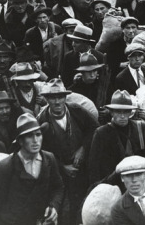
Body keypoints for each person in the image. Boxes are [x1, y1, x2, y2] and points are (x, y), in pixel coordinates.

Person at [38, 78, 98, 225]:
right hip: (58, 174)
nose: (57, 102)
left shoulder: (77, 111)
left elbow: (95, 129)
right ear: (46, 99)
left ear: (65, 97)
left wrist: (83, 148)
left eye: (60, 97)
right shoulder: (41, 120)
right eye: (52, 98)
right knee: (64, 210)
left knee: (84, 204)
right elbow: (40, 151)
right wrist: (62, 167)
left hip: (83, 169)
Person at [0, 113, 64, 225]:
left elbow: (58, 187)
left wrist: (53, 206)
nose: (35, 140)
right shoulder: (5, 167)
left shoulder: (49, 159)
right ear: (20, 141)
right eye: (30, 136)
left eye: (38, 134)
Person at [88, 89, 145, 185]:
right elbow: (93, 167)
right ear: (111, 112)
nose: (122, 116)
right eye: (118, 112)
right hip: (113, 183)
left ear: (130, 112)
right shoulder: (101, 133)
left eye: (126, 112)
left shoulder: (141, 128)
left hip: (139, 181)